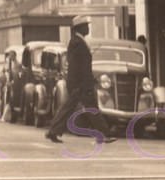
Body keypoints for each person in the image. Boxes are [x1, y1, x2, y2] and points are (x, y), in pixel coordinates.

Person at [45, 15, 115, 145]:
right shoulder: (77, 43)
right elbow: (79, 67)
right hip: (80, 84)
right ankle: (104, 134)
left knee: (69, 108)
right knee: (90, 108)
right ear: (80, 28)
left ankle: (53, 131)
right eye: (86, 26)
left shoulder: (78, 42)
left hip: (79, 83)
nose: (88, 28)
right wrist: (86, 82)